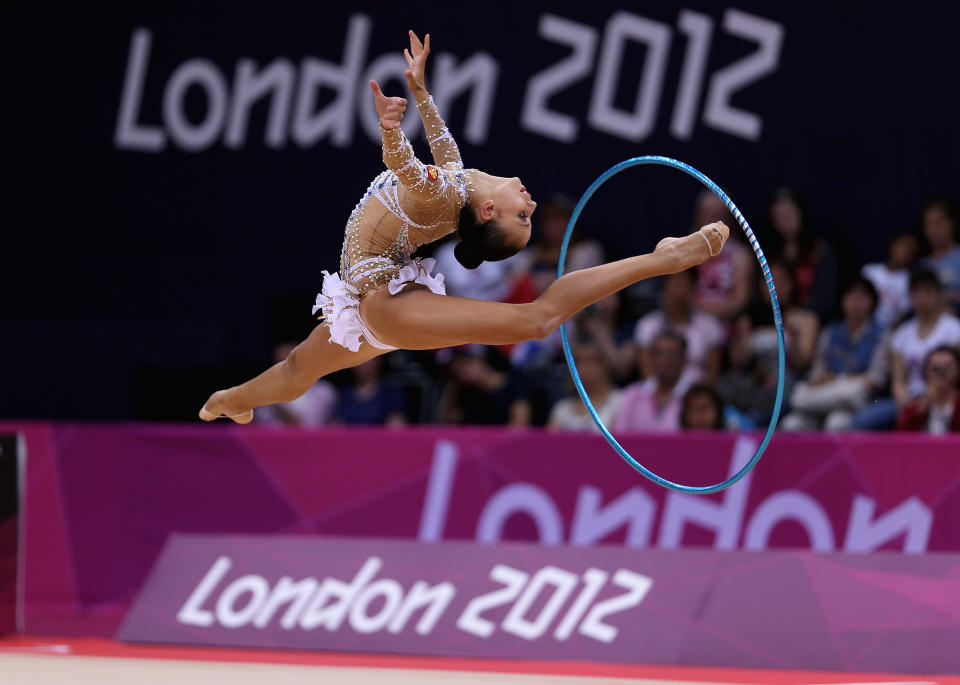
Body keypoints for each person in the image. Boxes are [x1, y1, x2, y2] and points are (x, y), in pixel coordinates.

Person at [199, 31, 729, 423]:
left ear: (489, 214)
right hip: (368, 302)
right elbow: (444, 147)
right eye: (530, 218)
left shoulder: (440, 194)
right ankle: (235, 399)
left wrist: (390, 128)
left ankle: (665, 259)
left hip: (381, 301)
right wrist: (422, 92)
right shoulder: (460, 182)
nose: (532, 203)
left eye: (523, 216)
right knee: (296, 370)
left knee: (538, 320)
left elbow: (405, 168)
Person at [853, 268, 960, 430]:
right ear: (910, 297)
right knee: (862, 420)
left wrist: (934, 395)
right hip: (911, 399)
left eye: (927, 291)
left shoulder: (954, 330)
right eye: (916, 293)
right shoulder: (901, 334)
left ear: (938, 294)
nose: (922, 298)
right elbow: (898, 381)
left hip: (943, 396)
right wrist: (904, 400)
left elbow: (955, 374)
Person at [781, 278, 888, 431]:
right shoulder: (830, 333)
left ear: (873, 302)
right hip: (829, 394)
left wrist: (837, 380)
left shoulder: (881, 335)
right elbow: (817, 373)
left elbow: (875, 380)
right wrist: (821, 379)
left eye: (863, 295)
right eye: (851, 295)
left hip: (857, 400)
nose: (856, 301)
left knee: (837, 422)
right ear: (842, 300)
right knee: (792, 424)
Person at [634, 269, 725, 382]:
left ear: (693, 287)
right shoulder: (647, 325)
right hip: (660, 396)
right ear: (664, 287)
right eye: (674, 281)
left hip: (695, 393)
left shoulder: (710, 326)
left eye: (683, 282)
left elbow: (712, 379)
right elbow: (648, 379)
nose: (679, 289)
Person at [767, 188, 839, 321]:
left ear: (801, 213)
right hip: (777, 317)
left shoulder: (821, 251)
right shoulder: (768, 253)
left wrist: (802, 312)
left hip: (813, 317)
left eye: (789, 213)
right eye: (779, 215)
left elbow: (826, 295)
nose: (785, 218)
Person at [614, 332, 700, 432]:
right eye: (660, 353)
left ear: (684, 358)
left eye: (673, 353)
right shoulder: (631, 395)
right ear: (651, 358)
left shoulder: (696, 396)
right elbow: (620, 435)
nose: (666, 359)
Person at [691, 190, 753, 321]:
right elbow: (677, 292)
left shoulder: (740, 254)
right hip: (690, 319)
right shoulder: (686, 250)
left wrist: (712, 313)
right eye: (706, 213)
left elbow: (740, 299)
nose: (710, 219)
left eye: (716, 214)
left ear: (727, 217)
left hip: (725, 322)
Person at [437, 345, 532, 426]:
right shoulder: (465, 392)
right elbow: (446, 422)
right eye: (454, 369)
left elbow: (519, 426)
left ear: (480, 359)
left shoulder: (515, 383)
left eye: (465, 362)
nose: (460, 370)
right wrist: (454, 385)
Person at [255, 342, 338, 426]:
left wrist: (278, 407)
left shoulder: (323, 391)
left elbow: (308, 425)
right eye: (280, 363)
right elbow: (263, 425)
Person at [547, 343, 622, 431]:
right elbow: (549, 442)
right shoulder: (562, 409)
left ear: (604, 366)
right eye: (578, 364)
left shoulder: (620, 401)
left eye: (590, 362)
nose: (585, 369)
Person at [862, 232, 919, 329]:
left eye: (911, 249)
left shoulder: (910, 281)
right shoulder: (869, 271)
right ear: (893, 245)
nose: (906, 251)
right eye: (904, 245)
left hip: (887, 332)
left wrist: (888, 335)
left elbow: (903, 313)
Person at [896, 346, 960, 433]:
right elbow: (900, 436)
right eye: (936, 368)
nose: (941, 373)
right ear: (926, 371)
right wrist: (919, 410)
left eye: (947, 367)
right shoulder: (914, 406)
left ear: (957, 370)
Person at [337, 357, 407, 426]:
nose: (363, 364)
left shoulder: (390, 392)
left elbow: (396, 426)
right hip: (350, 437)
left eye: (369, 359)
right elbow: (337, 424)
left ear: (379, 361)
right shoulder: (344, 392)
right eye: (359, 360)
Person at [920, 198, 960, 310]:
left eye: (939, 221)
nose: (934, 229)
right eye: (929, 223)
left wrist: (947, 297)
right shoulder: (922, 265)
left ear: (952, 223)